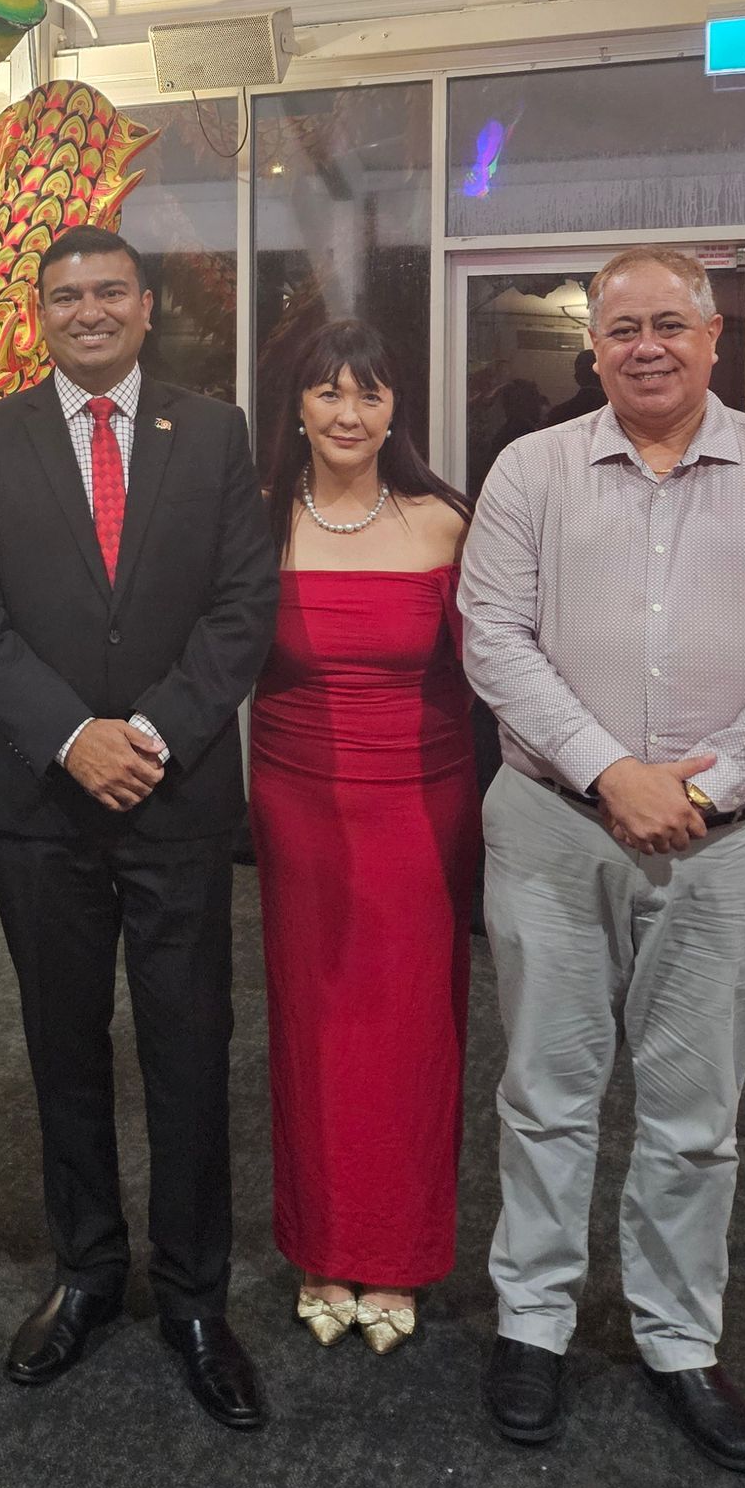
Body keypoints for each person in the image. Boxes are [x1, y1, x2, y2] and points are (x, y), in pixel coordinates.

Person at [459, 245, 745, 1471]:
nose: (646, 346)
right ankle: (531, 1318)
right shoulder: (531, 468)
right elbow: (493, 636)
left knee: (696, 1118)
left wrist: (707, 784)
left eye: (669, 325)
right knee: (545, 1092)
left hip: (731, 851)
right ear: (593, 345)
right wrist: (610, 771)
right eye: (622, 327)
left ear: (715, 333)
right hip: (550, 827)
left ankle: (678, 1336)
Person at [0, 225, 278, 1430]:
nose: (88, 311)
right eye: (65, 295)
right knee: (63, 1047)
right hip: (40, 803)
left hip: (177, 800)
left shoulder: (216, 432)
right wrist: (73, 735)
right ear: (40, 313)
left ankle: (193, 1295)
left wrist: (158, 735)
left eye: (108, 292)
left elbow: (245, 606)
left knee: (190, 1050)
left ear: (146, 307)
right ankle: (86, 1271)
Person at [247, 320, 478, 1356]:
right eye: (327, 392)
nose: (349, 413)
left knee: (414, 1027)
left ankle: (399, 1252)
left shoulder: (446, 523)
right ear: (295, 405)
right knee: (314, 1024)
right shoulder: (253, 524)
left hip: (423, 805)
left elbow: (501, 670)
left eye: (370, 394)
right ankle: (320, 1244)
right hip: (296, 805)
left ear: (398, 410)